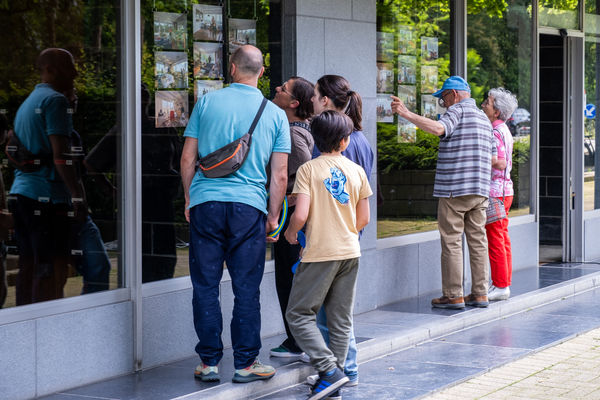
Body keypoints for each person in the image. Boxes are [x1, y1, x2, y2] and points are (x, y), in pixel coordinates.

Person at [180, 45, 290, 383]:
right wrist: (273, 216)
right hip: (249, 208)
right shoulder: (274, 113)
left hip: (205, 204)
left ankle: (209, 362)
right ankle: (245, 363)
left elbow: (187, 159)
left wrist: (189, 198)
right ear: (261, 71)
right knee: (246, 287)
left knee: (205, 285)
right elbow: (281, 175)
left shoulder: (207, 102)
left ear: (231, 69)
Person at [285, 110, 372, 400]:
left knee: (298, 315)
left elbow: (301, 214)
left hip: (320, 253)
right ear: (345, 141)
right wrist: (343, 229)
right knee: (340, 320)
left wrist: (289, 233)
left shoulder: (309, 170)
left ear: (314, 140)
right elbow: (364, 219)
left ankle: (328, 369)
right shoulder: (357, 171)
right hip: (350, 252)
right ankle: (334, 380)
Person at [391, 76, 495, 309]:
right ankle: (480, 293)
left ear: (455, 95)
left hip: (454, 189)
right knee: (478, 242)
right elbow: (495, 158)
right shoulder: (483, 118)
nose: (443, 104)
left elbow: (439, 129)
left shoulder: (458, 111)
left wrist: (406, 114)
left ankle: (453, 295)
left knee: (452, 242)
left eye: (444, 98)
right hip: (480, 190)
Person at [308, 74, 374, 387]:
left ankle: (340, 371)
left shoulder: (336, 144)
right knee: (337, 310)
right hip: (350, 239)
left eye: (315, 94)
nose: (311, 99)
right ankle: (342, 369)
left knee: (326, 312)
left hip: (332, 241)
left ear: (325, 100)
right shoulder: (361, 140)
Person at [8, 48, 87, 305]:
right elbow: (60, 155)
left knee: (29, 268)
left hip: (23, 195)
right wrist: (77, 195)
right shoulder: (55, 101)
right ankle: (50, 332)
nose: (75, 72)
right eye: (69, 66)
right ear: (50, 70)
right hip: (48, 198)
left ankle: (25, 327)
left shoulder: (28, 103)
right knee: (51, 271)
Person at [85, 84, 181, 284]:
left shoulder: (163, 126)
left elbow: (181, 159)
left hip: (163, 203)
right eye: (139, 92)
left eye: (145, 91)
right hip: (139, 204)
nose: (144, 94)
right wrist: (112, 191)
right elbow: (91, 163)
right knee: (142, 258)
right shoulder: (123, 129)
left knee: (166, 257)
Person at [269, 76, 315, 360]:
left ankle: (296, 341)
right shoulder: (302, 129)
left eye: (283, 89)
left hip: (290, 218)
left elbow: (305, 175)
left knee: (288, 278)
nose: (277, 89)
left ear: (294, 103)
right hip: (295, 215)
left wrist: (287, 201)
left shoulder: (292, 133)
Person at [481, 88, 518, 301]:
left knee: (495, 239)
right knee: (502, 238)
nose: (484, 104)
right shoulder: (504, 129)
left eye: (488, 102)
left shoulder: (495, 132)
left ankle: (501, 285)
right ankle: (503, 283)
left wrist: (478, 157)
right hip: (505, 191)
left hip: (495, 193)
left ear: (497, 112)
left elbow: (500, 161)